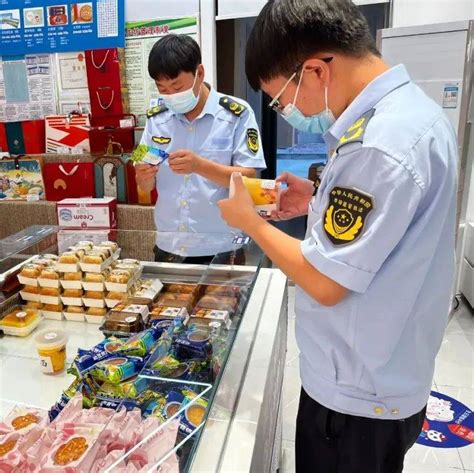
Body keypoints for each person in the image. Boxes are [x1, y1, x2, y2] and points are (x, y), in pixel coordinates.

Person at [217, 1, 458, 472]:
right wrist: (317, 198)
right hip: (385, 372)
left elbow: (327, 283)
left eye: (281, 99)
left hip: (355, 396)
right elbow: (387, 224)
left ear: (315, 71)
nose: (288, 112)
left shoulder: (379, 145)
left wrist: (253, 223)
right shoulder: (409, 113)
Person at [135, 34, 266, 264]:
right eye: (163, 89)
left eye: (177, 86)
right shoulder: (156, 117)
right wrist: (142, 177)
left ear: (200, 73)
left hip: (222, 247)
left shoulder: (237, 114)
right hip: (169, 246)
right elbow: (143, 181)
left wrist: (199, 166)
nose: (171, 95)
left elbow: (249, 178)